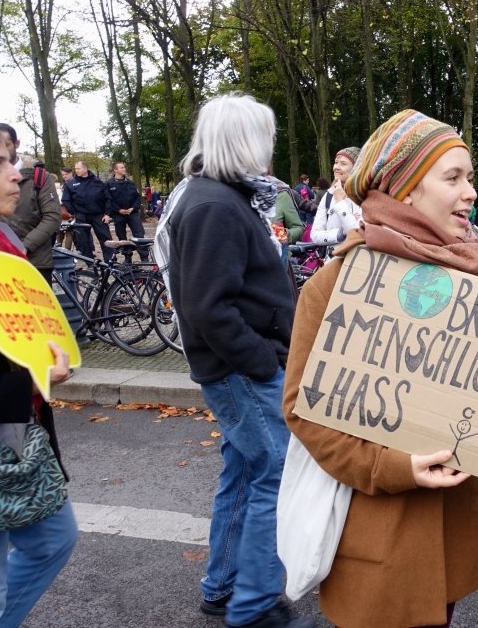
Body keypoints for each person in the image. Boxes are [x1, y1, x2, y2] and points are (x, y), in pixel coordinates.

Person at [282, 109, 478, 628]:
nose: (471, 192)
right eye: (453, 178)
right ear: (404, 190)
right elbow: (302, 411)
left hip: (450, 533)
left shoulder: (469, 277)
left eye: (469, 177)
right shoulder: (335, 286)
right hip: (379, 538)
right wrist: (395, 469)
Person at [167, 94, 313, 628]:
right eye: (264, 137)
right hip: (242, 370)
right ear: (244, 141)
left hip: (239, 368)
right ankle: (254, 605)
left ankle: (224, 585)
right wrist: (263, 364)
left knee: (245, 471)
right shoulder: (215, 206)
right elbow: (209, 307)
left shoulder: (221, 198)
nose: (269, 148)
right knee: (274, 474)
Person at [0, 124, 78, 628]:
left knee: (51, 539)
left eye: (13, 160)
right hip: (3, 432)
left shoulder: (3, 239)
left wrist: (37, 367)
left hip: (15, 430)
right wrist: (29, 372)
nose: (16, 173)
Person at [0, 123, 60, 281]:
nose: (15, 176)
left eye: (7, 145)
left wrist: (24, 246)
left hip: (35, 263)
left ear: (17, 144)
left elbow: (52, 217)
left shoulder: (39, 177)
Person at [309, 147, 362, 253]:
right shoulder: (328, 196)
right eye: (336, 162)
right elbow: (315, 235)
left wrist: (340, 202)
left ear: (356, 168)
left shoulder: (364, 196)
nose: (336, 167)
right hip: (333, 261)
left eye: (343, 164)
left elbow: (357, 233)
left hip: (357, 262)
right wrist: (340, 233)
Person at [61, 160, 114, 261]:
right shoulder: (71, 183)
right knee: (82, 241)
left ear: (85, 169)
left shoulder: (98, 182)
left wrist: (107, 214)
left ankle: (109, 261)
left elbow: (107, 198)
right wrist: (74, 212)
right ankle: (89, 262)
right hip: (81, 215)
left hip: (98, 215)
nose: (76, 171)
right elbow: (66, 199)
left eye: (78, 168)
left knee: (105, 238)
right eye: (75, 169)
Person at [106, 161, 149, 262]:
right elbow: (108, 200)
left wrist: (133, 208)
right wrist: (118, 210)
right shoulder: (108, 184)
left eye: (124, 167)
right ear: (115, 170)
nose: (124, 169)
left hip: (132, 214)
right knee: (122, 237)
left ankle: (144, 258)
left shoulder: (130, 183)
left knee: (139, 234)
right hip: (118, 215)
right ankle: (127, 257)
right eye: (121, 168)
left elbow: (137, 198)